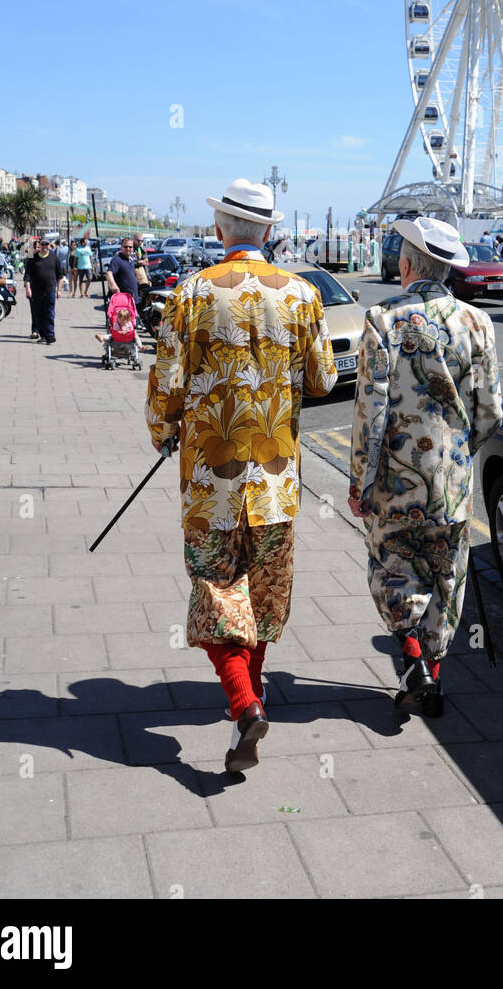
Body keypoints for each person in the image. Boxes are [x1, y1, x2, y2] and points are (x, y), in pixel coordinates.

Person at [146, 178, 337, 774]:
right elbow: (324, 380)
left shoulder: (192, 293)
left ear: (222, 230)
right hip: (277, 481)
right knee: (261, 600)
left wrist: (163, 430)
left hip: (211, 482)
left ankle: (244, 703)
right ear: (271, 232)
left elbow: (165, 388)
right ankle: (246, 708)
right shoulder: (304, 295)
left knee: (215, 594)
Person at [347, 216, 503, 718]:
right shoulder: (479, 323)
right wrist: (459, 450)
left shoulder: (383, 319)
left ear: (408, 264)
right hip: (452, 485)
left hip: (396, 484)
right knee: (447, 582)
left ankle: (412, 660)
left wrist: (360, 481)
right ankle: (432, 679)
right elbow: (490, 413)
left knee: (391, 571)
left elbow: (370, 413)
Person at [24, 237, 61, 344]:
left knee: (49, 313)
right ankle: (43, 335)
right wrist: (28, 288)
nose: (45, 247)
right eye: (43, 244)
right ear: (40, 245)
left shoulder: (55, 258)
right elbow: (27, 276)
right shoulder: (32, 259)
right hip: (36, 291)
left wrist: (59, 290)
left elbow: (60, 275)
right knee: (39, 313)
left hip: (50, 290)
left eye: (47, 244)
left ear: (50, 245)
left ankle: (50, 334)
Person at [106, 236, 139, 302]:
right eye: (125, 246)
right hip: (122, 299)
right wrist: (113, 285)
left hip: (132, 298)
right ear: (121, 247)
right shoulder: (117, 260)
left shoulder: (131, 260)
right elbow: (109, 273)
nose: (128, 248)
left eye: (130, 247)